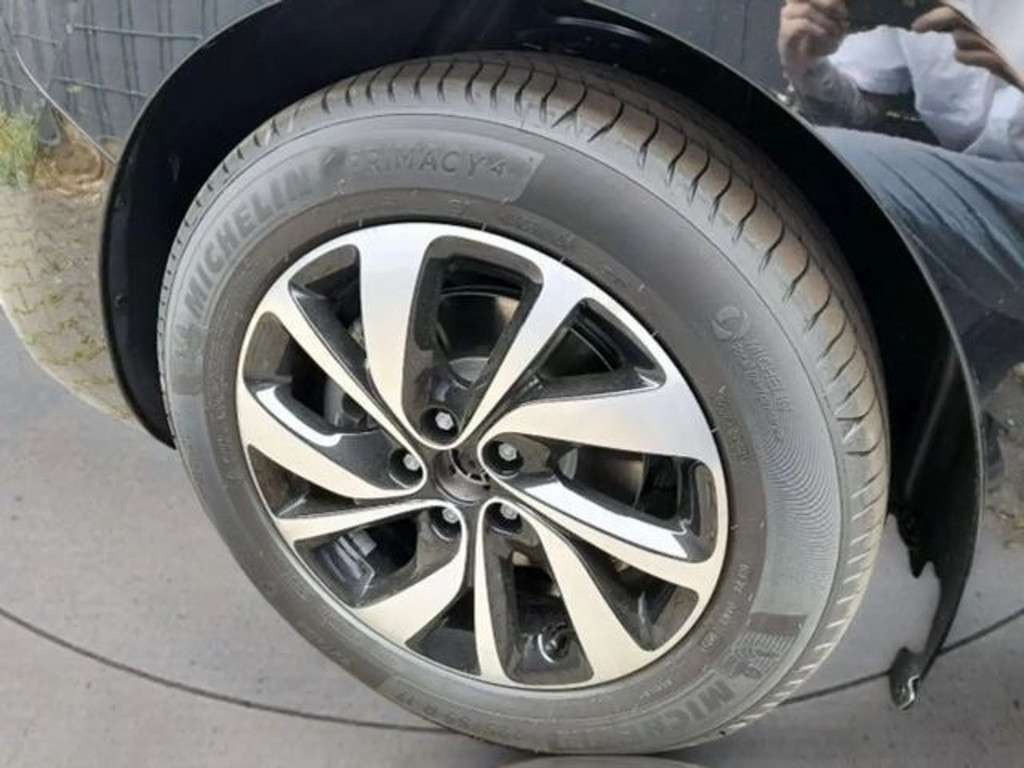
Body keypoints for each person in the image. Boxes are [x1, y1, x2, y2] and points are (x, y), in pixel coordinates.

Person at [776, 0, 1024, 405]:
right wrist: (807, 64)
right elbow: (856, 113)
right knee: (914, 387)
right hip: (980, 198)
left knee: (804, 155)